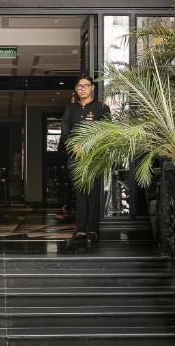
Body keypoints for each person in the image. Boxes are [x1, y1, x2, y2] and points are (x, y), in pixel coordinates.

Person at [60, 75, 111, 244]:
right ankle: (80, 230)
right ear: (76, 89)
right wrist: (74, 146)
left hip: (93, 159)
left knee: (93, 196)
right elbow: (65, 133)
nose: (82, 89)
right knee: (80, 196)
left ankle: (93, 231)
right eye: (79, 86)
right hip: (75, 159)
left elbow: (105, 133)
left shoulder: (101, 108)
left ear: (92, 88)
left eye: (86, 86)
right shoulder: (70, 109)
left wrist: (88, 147)